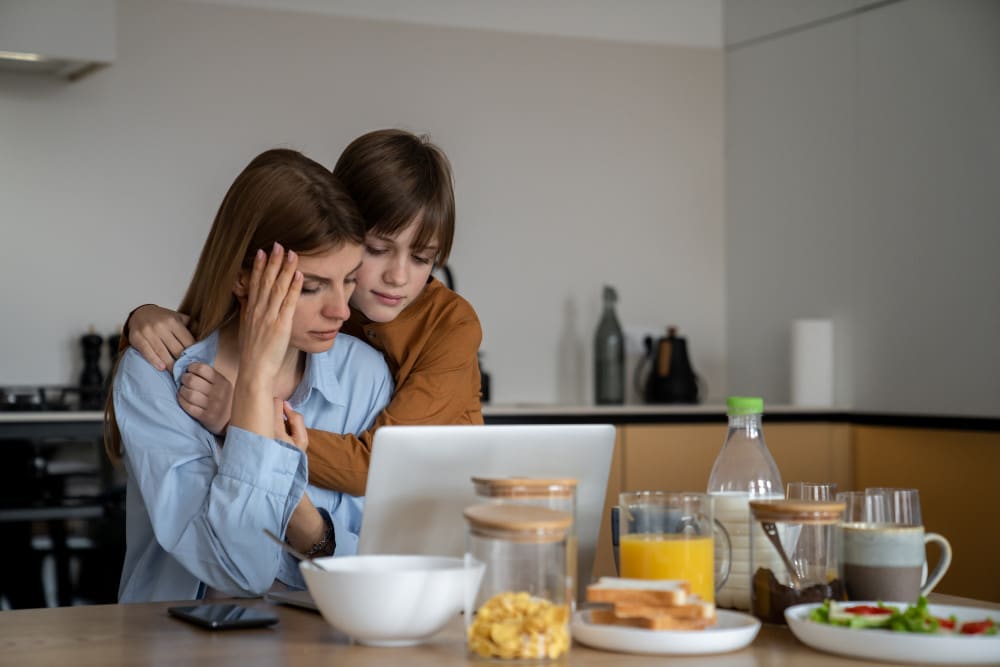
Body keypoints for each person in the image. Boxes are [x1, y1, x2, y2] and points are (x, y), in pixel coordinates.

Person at [122, 129, 483, 497]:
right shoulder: (319, 308)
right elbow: (219, 314)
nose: (398, 277)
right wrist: (142, 316)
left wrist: (242, 418)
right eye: (375, 250)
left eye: (422, 259)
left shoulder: (448, 325)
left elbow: (378, 467)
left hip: (437, 513)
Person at [104, 148, 393, 603]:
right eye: (312, 287)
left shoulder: (364, 374)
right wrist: (256, 381)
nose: (340, 309)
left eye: (350, 280)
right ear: (243, 279)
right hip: (175, 645)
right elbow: (238, 569)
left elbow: (380, 567)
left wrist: (293, 501)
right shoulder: (155, 374)